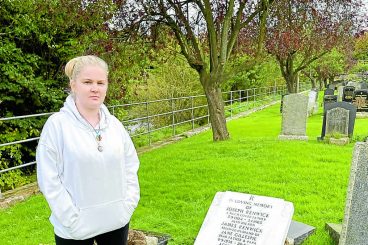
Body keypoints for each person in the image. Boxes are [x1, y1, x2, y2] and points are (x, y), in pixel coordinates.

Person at [36, 55, 140, 245]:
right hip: (75, 229)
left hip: (116, 222)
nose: (95, 88)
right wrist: (71, 219)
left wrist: (127, 206)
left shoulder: (115, 126)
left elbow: (131, 166)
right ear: (73, 85)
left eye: (101, 82)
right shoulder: (57, 126)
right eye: (87, 82)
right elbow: (49, 179)